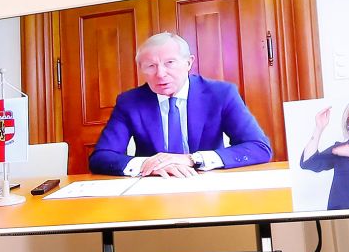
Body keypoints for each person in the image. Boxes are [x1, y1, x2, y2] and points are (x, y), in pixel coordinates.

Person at [87, 31, 273, 177]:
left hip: (208, 185)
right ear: (141, 69)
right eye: (151, 66)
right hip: (154, 187)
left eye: (170, 63)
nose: (160, 74)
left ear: (188, 63)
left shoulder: (221, 94)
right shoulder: (130, 102)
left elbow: (259, 147)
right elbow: (101, 157)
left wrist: (192, 159)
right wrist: (147, 165)